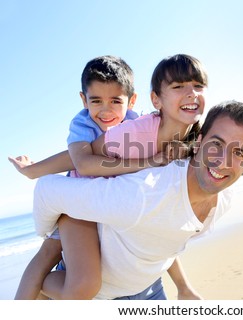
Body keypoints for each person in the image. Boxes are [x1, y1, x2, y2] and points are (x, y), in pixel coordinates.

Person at [10, 54, 206, 299]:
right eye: (96, 101)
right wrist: (32, 170)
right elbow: (81, 162)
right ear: (84, 100)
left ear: (132, 101)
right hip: (76, 201)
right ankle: (34, 291)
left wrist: (183, 286)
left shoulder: (137, 125)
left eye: (115, 101)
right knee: (50, 254)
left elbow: (160, 227)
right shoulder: (83, 125)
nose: (106, 110)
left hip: (107, 201)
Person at [33, 100, 243, 300]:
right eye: (217, 144)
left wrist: (183, 287)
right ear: (199, 142)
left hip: (150, 288)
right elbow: (47, 190)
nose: (223, 161)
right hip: (101, 297)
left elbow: (166, 234)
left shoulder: (224, 198)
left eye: (239, 153)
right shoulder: (143, 193)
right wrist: (51, 236)